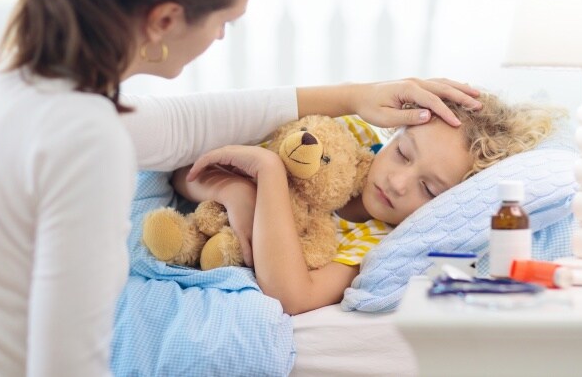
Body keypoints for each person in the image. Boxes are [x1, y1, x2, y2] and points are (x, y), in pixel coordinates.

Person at [0, 0, 481, 375]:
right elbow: (66, 362)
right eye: (225, 20)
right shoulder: (88, 138)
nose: (222, 37)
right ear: (164, 21)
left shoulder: (26, 90)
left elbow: (191, 124)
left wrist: (354, 97)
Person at [183, 92, 561, 314]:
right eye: (403, 153)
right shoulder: (348, 136)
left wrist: (268, 173)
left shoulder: (379, 239)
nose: (397, 183)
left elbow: (293, 297)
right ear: (395, 132)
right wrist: (236, 192)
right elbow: (184, 169)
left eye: (428, 190)